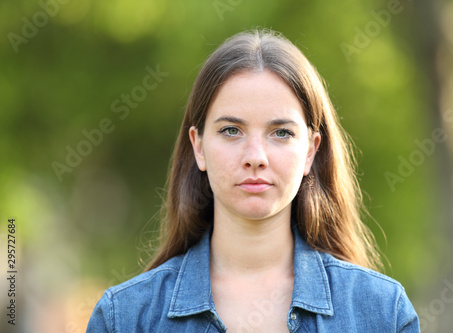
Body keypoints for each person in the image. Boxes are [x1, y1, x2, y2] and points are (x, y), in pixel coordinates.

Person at [87, 29, 420, 332]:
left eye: (281, 133)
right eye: (231, 130)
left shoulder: (383, 313)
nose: (255, 156)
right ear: (198, 146)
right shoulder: (126, 318)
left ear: (310, 151)